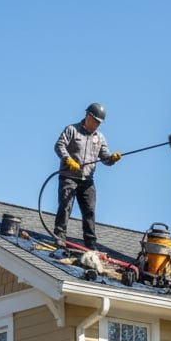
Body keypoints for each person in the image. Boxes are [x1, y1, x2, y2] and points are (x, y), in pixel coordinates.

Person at [53, 102, 121, 250]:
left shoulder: (100, 138)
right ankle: (59, 237)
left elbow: (105, 158)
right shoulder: (72, 130)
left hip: (87, 180)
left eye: (99, 123)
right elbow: (59, 145)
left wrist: (112, 159)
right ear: (88, 116)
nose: (97, 125)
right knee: (65, 206)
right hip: (69, 176)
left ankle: (90, 244)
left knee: (89, 210)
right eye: (95, 121)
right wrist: (67, 159)